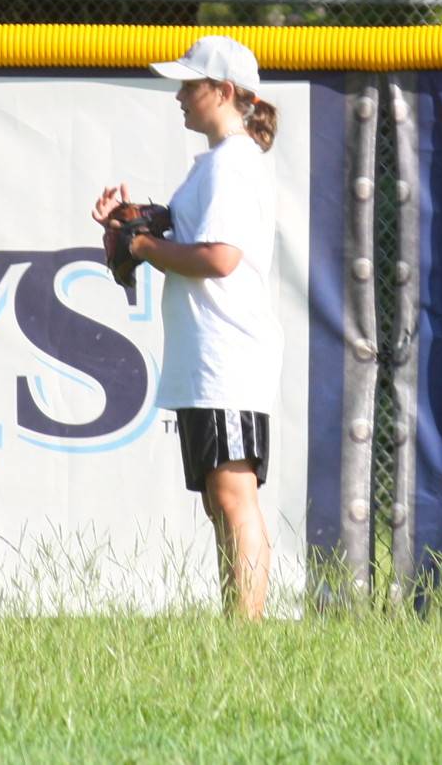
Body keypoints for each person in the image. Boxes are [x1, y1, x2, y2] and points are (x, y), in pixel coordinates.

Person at [92, 35, 282, 619]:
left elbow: (220, 258)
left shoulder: (232, 164)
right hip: (211, 354)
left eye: (189, 83)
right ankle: (236, 625)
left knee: (232, 495)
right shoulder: (217, 164)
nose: (178, 95)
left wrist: (143, 244)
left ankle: (246, 635)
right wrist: (136, 221)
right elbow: (195, 237)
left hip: (227, 352)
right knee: (219, 498)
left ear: (223, 91)